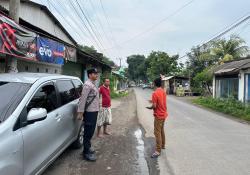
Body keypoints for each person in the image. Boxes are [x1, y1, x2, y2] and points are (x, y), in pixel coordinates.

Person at [77, 68, 99, 162]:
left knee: (91, 131)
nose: (96, 75)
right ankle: (86, 153)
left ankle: (88, 147)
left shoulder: (93, 84)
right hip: (89, 112)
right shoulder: (87, 85)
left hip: (94, 111)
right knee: (88, 132)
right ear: (90, 75)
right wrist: (80, 113)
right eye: (94, 73)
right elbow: (82, 100)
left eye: (96, 73)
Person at [147, 77, 167, 158]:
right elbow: (160, 101)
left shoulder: (155, 93)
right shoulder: (163, 91)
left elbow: (154, 106)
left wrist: (150, 107)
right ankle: (162, 145)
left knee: (157, 132)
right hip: (164, 114)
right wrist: (152, 101)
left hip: (158, 115)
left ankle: (158, 151)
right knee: (161, 130)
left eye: (153, 83)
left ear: (155, 84)